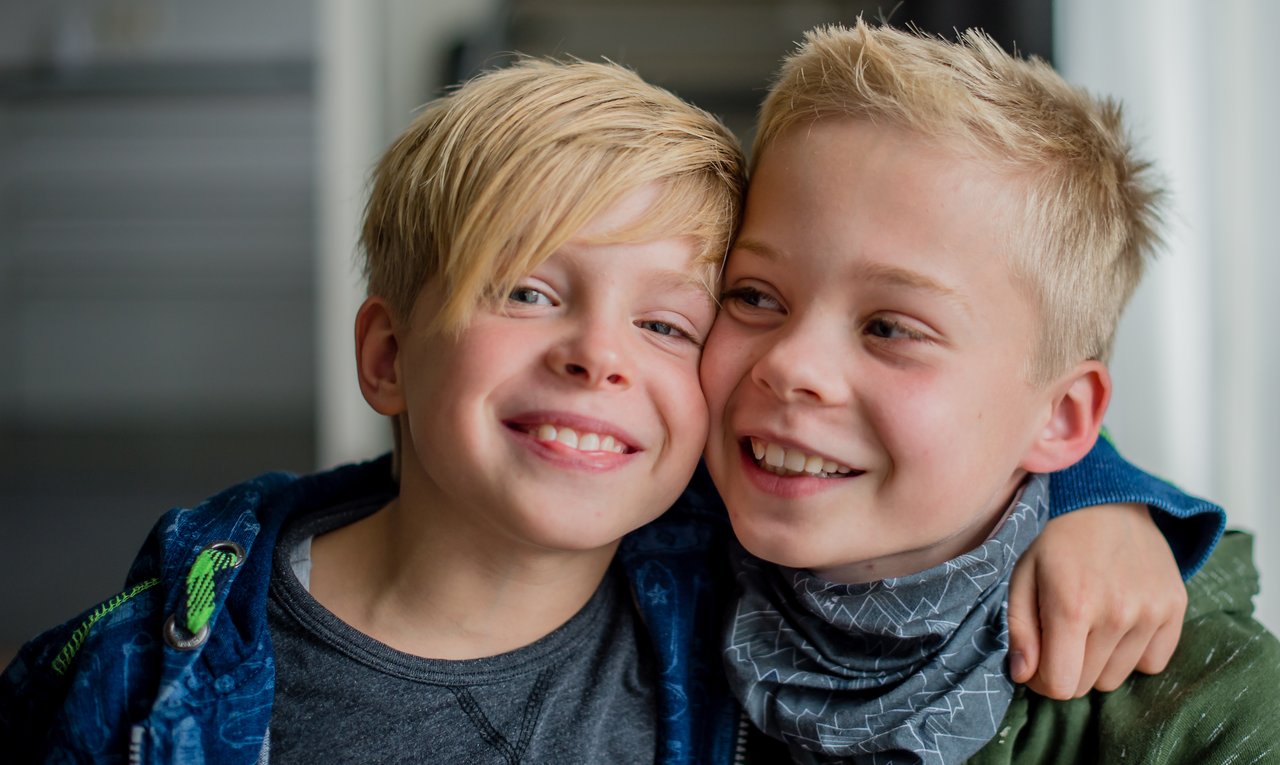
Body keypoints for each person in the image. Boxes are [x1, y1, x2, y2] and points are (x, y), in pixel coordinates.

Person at [0, 56, 1223, 764]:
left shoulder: (730, 588)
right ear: (385, 353)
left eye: (668, 323)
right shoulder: (148, 663)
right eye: (529, 291)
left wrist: (1097, 500)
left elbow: (949, 467)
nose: (596, 358)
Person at [704, 21, 1280, 764]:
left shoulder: (1218, 714)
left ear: (1062, 417)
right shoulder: (645, 564)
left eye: (888, 326)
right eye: (754, 295)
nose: (792, 365)